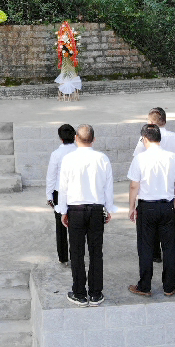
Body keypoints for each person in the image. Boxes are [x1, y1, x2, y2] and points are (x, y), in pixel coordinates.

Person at [56, 125, 117, 306]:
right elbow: (108, 186)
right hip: (96, 209)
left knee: (76, 252)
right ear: (94, 139)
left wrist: (63, 210)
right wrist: (108, 208)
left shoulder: (68, 159)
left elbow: (63, 187)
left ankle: (79, 293)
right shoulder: (102, 158)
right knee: (96, 252)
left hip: (75, 209)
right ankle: (96, 293)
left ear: (76, 138)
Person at [127, 124, 175, 298]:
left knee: (145, 247)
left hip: (147, 207)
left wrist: (131, 206)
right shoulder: (173, 157)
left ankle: (144, 286)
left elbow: (134, 185)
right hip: (166, 205)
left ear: (144, 139)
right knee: (169, 247)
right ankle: (169, 286)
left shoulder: (140, 159)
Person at [46, 124, 77, 265]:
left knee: (61, 225)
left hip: (60, 193)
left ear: (60, 138)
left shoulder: (56, 154)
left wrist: (49, 195)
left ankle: (63, 257)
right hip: (77, 193)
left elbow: (51, 176)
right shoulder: (79, 152)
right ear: (74, 136)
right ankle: (76, 255)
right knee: (76, 225)